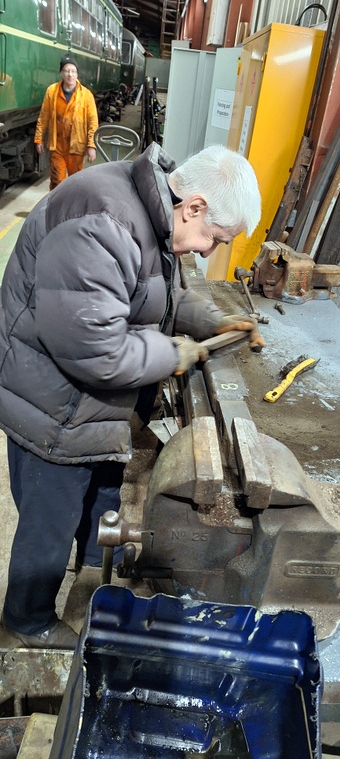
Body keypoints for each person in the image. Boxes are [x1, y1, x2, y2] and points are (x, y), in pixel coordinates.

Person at [0, 142, 264, 649]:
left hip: (89, 412)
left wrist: (211, 321)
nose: (210, 251)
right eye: (215, 237)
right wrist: (174, 354)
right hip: (52, 411)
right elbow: (94, 349)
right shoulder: (103, 223)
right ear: (195, 207)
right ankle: (25, 624)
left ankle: (97, 580)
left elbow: (149, 292)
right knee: (48, 528)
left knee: (100, 502)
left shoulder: (149, 209)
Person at [34, 54, 98, 190]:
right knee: (58, 182)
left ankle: (74, 209)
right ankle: (56, 209)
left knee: (76, 183)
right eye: (67, 71)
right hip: (58, 146)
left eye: (73, 71)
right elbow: (43, 116)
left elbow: (93, 123)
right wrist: (39, 139)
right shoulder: (52, 92)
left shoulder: (86, 95)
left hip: (77, 147)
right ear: (61, 73)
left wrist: (91, 145)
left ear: (77, 74)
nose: (70, 75)